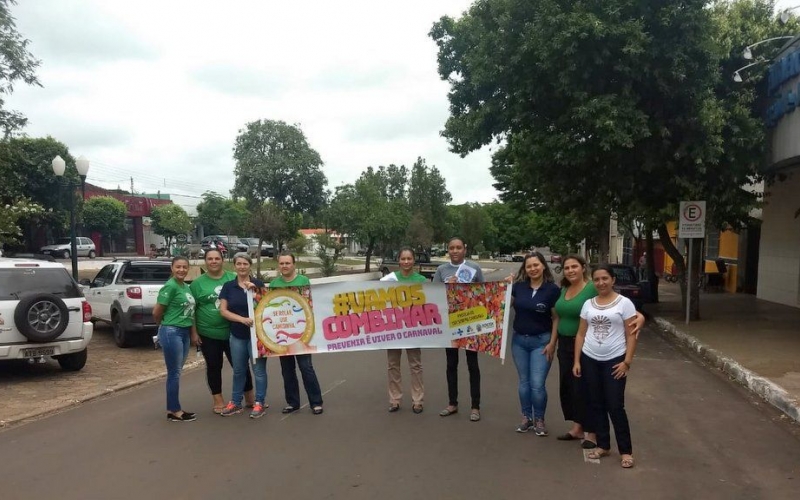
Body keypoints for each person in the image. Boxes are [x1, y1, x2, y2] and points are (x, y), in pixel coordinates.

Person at [553, 255, 645, 448]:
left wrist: (641, 318)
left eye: (574, 266)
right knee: (576, 391)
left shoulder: (594, 289)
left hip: (601, 351)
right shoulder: (566, 290)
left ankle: (602, 438)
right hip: (574, 349)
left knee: (602, 398)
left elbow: (624, 314)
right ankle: (586, 432)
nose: (570, 270)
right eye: (567, 267)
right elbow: (565, 320)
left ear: (583, 268)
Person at [573, 264, 639, 469]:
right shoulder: (588, 304)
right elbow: (581, 333)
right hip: (590, 358)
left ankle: (626, 451)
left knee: (615, 406)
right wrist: (577, 360)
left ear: (613, 280)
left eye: (605, 279)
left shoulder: (624, 303)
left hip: (614, 360)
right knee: (596, 403)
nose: (601, 283)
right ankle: (603, 444)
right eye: (597, 279)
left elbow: (631, 334)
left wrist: (627, 361)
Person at [190, 248, 255, 414]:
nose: (213, 261)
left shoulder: (231, 278)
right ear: (205, 261)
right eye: (210, 259)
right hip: (208, 333)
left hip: (233, 331)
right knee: (213, 366)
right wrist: (194, 332)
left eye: (216, 258)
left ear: (222, 260)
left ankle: (250, 398)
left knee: (240, 366)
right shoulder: (197, 284)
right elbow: (192, 309)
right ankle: (218, 400)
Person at [433, 236, 485, 422]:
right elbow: (434, 297)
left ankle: (475, 406)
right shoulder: (441, 270)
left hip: (470, 322)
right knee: (451, 365)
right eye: (451, 248)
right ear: (448, 250)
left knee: (473, 365)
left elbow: (484, 294)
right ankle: (452, 403)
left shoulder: (474, 268)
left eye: (458, 247)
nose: (454, 251)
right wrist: (447, 287)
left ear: (465, 249)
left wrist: (467, 289)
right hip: (450, 324)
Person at [509, 252, 560, 436]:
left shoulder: (552, 290)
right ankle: (526, 417)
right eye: (529, 266)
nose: (533, 269)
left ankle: (539, 418)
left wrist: (552, 343)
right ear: (525, 269)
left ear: (543, 266)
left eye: (536, 265)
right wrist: (505, 288)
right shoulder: (518, 287)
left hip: (542, 342)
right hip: (519, 341)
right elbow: (503, 306)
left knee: (537, 384)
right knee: (524, 382)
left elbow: (556, 318)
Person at [271, 252, 324, 416]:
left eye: (287, 263)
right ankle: (292, 402)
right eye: (282, 263)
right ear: (278, 265)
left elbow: (309, 304)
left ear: (294, 264)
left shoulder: (303, 281)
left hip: (302, 334)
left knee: (306, 368)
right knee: (287, 370)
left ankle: (316, 402)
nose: (284, 266)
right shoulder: (273, 284)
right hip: (282, 335)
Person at [219, 253, 268, 419]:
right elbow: (223, 311)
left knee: (259, 371)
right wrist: (241, 319)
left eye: (245, 264)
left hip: (257, 336)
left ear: (250, 266)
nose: (242, 267)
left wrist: (254, 291)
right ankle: (235, 402)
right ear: (234, 266)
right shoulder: (228, 286)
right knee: (239, 370)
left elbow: (267, 305)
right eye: (238, 264)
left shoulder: (258, 284)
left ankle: (259, 402)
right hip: (237, 335)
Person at [380, 247, 427, 414]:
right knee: (393, 365)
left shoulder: (422, 280)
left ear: (414, 260)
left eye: (409, 258)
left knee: (415, 365)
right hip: (393, 329)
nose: (406, 262)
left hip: (414, 329)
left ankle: (418, 400)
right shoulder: (389, 280)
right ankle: (395, 400)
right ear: (398, 261)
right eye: (403, 259)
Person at [153, 256, 197, 422]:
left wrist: (193, 333)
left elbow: (191, 312)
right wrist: (164, 326)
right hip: (172, 331)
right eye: (178, 267)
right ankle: (174, 410)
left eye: (184, 267)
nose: (181, 270)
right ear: (172, 268)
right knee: (174, 372)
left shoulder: (186, 287)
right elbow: (156, 312)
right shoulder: (170, 286)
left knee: (177, 371)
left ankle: (175, 408)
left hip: (184, 331)